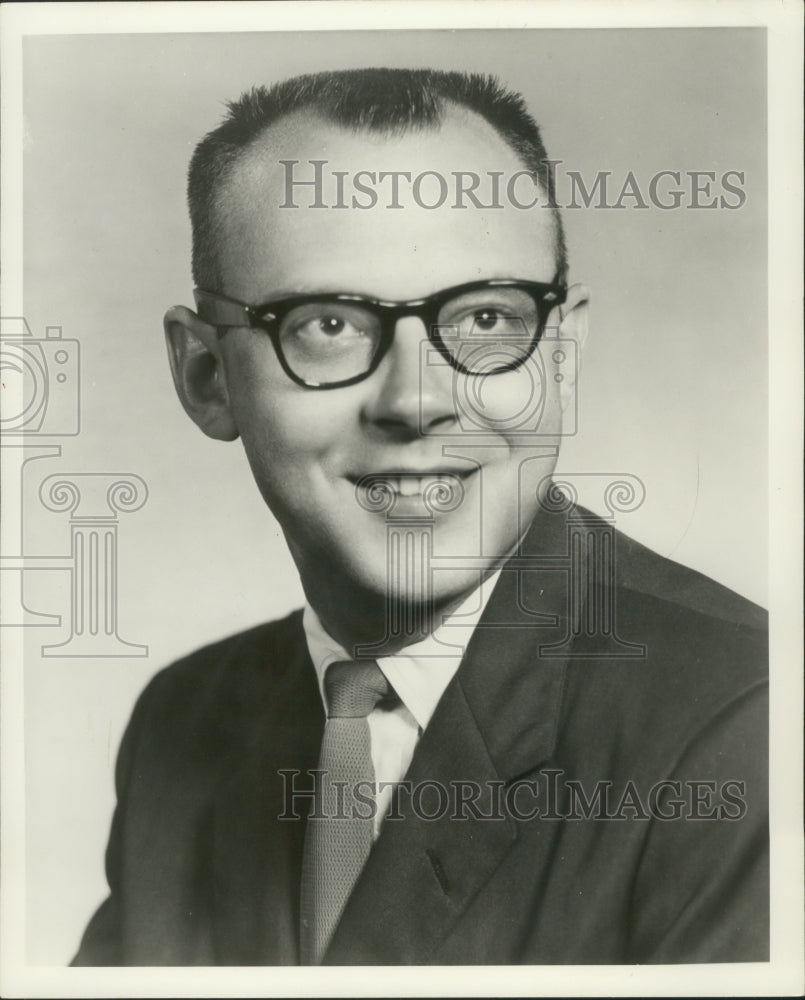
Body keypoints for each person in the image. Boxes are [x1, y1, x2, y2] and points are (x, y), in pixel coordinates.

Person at [72, 68, 768, 966]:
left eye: (484, 316)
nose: (416, 401)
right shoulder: (184, 723)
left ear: (559, 361)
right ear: (207, 377)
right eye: (327, 324)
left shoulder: (748, 731)